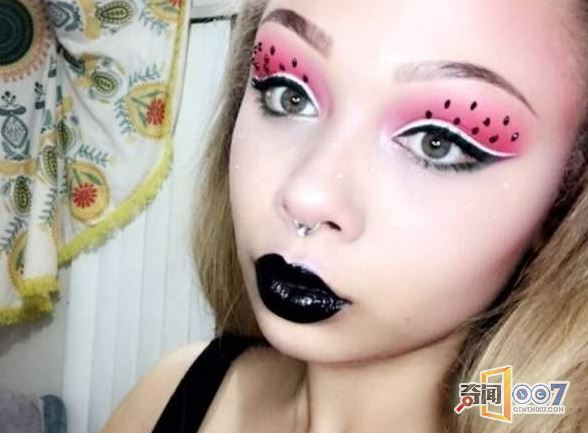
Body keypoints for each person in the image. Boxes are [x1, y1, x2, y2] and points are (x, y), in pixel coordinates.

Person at [102, 0, 588, 432]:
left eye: (437, 142)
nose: (305, 196)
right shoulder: (170, 393)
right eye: (289, 93)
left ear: (567, 196)